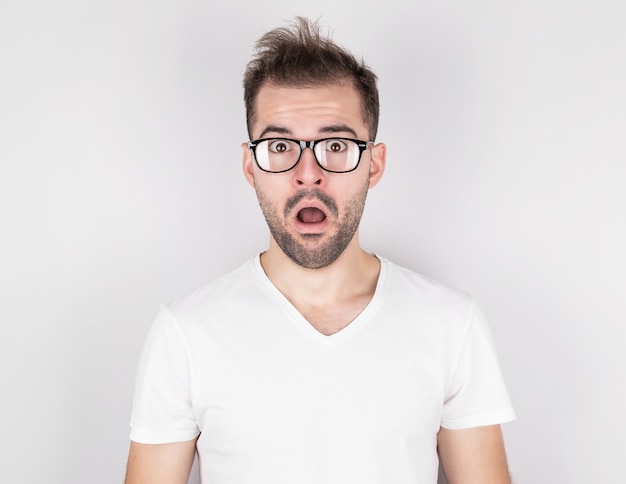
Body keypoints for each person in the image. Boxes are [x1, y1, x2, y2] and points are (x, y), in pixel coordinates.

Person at [125, 17, 515, 484]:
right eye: (280, 145)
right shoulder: (185, 333)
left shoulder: (452, 324)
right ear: (251, 166)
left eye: (335, 144)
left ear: (374, 164)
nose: (309, 173)